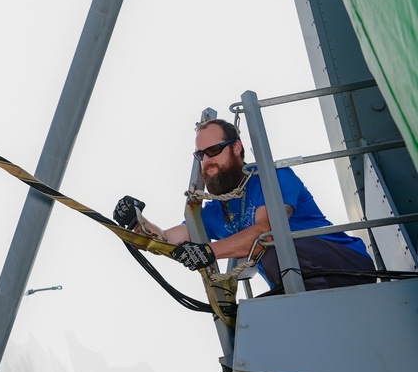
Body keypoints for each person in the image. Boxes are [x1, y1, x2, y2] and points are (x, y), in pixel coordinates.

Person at [113, 117, 376, 291]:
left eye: (214, 151)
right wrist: (137, 222)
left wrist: (209, 251)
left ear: (237, 147)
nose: (207, 161)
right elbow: (167, 239)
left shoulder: (272, 178)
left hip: (348, 265)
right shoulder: (218, 212)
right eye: (200, 154)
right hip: (300, 283)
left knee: (274, 250)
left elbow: (266, 231)